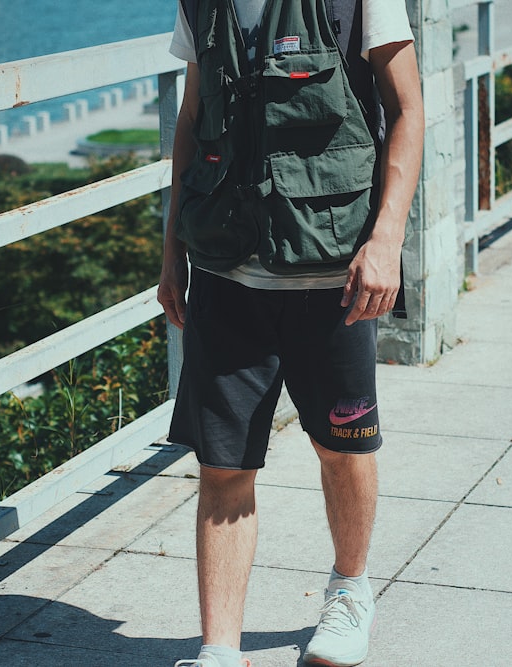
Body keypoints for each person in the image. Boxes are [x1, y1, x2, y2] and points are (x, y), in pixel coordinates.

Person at [159, 0, 424, 665]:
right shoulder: (202, 5)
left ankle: (350, 590)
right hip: (225, 270)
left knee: (342, 446)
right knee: (222, 466)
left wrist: (387, 239)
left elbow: (408, 110)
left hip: (331, 276)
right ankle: (219, 648)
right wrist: (172, 251)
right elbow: (191, 122)